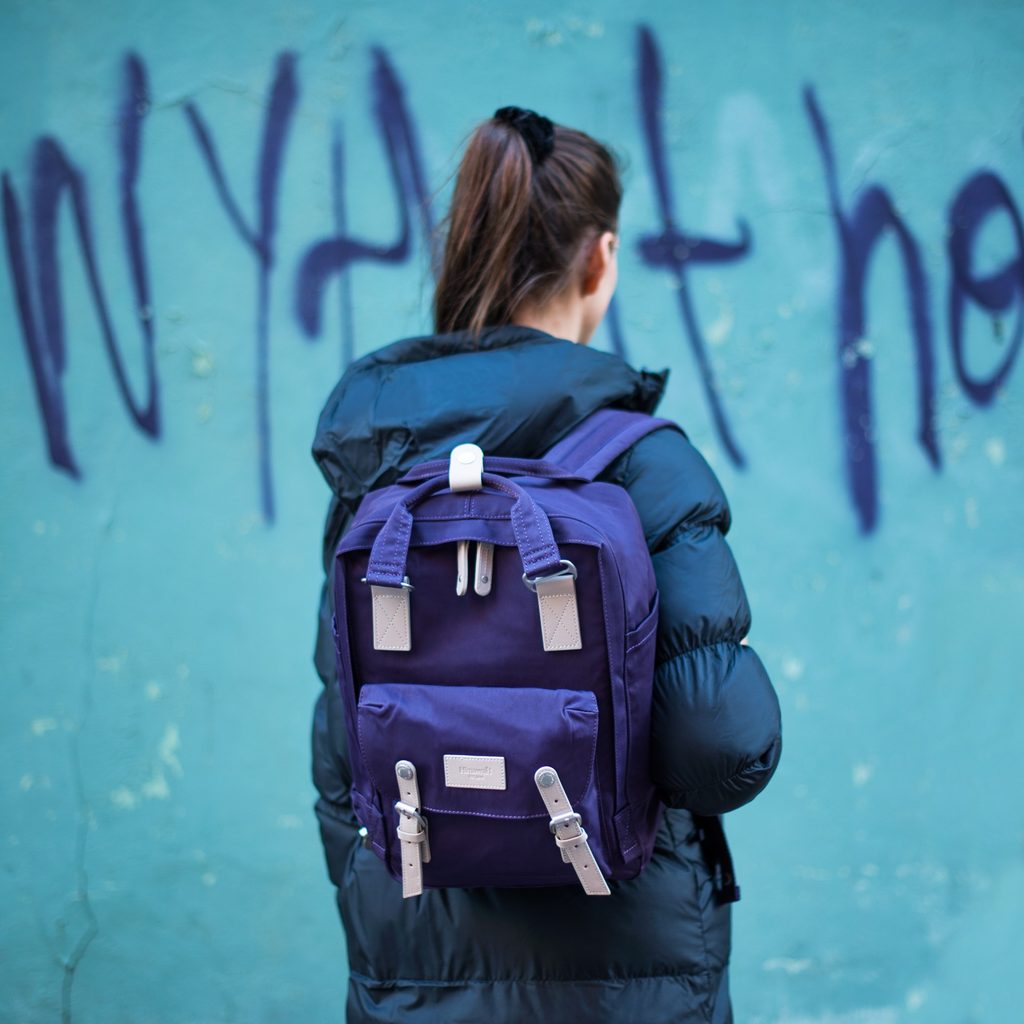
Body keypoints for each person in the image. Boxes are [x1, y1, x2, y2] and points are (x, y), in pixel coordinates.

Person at [309, 105, 783, 1024]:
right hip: (632, 978)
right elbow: (724, 746)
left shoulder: (377, 462)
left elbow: (341, 753)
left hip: (417, 970)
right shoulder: (644, 464)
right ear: (601, 260)